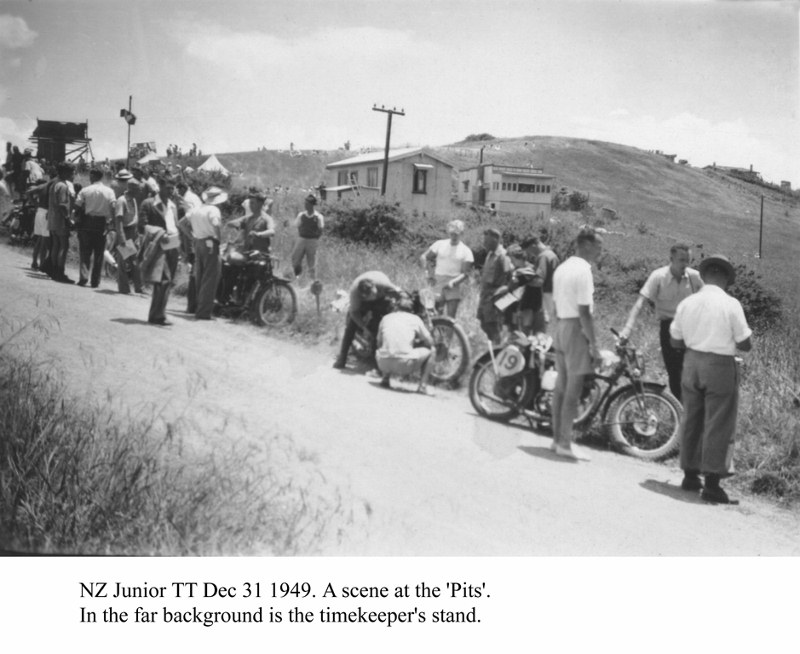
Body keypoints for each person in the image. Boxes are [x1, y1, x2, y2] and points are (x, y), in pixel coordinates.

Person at [669, 254, 752, 504]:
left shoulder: (688, 303)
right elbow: (744, 343)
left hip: (692, 361)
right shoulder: (731, 304)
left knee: (692, 416)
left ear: (704, 277)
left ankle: (690, 475)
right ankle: (713, 484)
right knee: (719, 420)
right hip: (719, 364)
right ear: (726, 278)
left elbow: (674, 340)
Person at [619, 244, 703, 400]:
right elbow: (640, 303)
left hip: (691, 328)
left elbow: (710, 298)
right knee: (674, 373)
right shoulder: (658, 277)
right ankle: (680, 409)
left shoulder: (695, 277)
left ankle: (694, 410)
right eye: (681, 260)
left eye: (688, 260)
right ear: (671, 259)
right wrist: (628, 328)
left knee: (693, 372)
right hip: (669, 329)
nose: (685, 264)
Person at [550, 226, 604, 461]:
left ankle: (557, 439)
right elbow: (585, 312)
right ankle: (564, 442)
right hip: (574, 328)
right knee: (573, 389)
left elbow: (554, 303)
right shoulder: (583, 271)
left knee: (561, 387)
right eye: (598, 245)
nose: (601, 250)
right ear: (586, 245)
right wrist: (594, 345)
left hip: (560, 325)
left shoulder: (562, 267)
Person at [333, 270, 401, 369]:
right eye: (371, 296)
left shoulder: (383, 284)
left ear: (374, 286)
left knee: (379, 323)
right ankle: (342, 358)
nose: (374, 296)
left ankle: (377, 361)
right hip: (364, 303)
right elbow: (354, 313)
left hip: (382, 298)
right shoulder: (355, 293)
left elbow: (399, 294)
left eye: (374, 294)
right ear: (363, 296)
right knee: (350, 327)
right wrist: (364, 327)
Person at [375, 292, 434, 395]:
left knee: (385, 347)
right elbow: (430, 342)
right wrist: (419, 341)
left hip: (382, 363)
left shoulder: (386, 318)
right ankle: (422, 386)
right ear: (411, 310)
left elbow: (379, 342)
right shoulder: (415, 319)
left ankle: (385, 378)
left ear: (396, 308)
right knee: (432, 351)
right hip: (404, 365)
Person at [139, 179, 180, 325]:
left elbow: (175, 225)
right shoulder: (148, 203)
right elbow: (142, 225)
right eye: (168, 187)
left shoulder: (173, 206)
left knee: (166, 282)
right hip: (158, 245)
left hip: (173, 245)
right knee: (164, 279)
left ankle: (157, 314)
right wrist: (159, 233)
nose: (171, 191)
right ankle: (158, 315)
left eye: (173, 188)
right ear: (160, 186)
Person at [419, 219, 474, 318]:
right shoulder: (440, 244)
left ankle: (448, 333)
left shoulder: (466, 251)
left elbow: (466, 273)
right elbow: (424, 257)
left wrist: (453, 283)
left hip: (453, 284)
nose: (453, 236)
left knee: (450, 317)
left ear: (462, 233)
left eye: (456, 234)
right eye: (451, 233)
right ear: (448, 232)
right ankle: (432, 333)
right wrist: (428, 274)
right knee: (432, 314)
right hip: (437, 281)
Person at [187, 186, 226, 320]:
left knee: (200, 275)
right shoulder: (214, 210)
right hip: (209, 242)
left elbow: (182, 223)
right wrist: (219, 240)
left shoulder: (197, 209)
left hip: (198, 241)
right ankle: (203, 311)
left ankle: (198, 306)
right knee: (210, 277)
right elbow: (216, 225)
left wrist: (193, 236)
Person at [74, 168, 116, 287]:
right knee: (99, 253)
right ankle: (95, 281)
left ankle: (84, 277)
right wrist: (111, 220)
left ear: (92, 177)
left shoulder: (85, 190)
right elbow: (113, 206)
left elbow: (77, 206)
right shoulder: (109, 191)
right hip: (101, 223)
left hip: (87, 222)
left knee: (85, 251)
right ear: (102, 177)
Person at [476, 227, 512, 345]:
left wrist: (503, 295)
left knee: (494, 325)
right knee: (483, 322)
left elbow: (510, 276)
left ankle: (498, 348)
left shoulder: (503, 256)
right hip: (485, 296)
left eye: (487, 241)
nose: (484, 244)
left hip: (495, 297)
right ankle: (494, 344)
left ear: (496, 239)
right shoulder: (490, 254)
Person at [113, 170, 144, 295]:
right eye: (138, 189)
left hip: (133, 232)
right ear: (132, 189)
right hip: (125, 232)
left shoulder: (133, 200)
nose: (140, 191)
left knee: (134, 261)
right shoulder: (122, 200)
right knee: (124, 262)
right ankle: (124, 287)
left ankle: (139, 287)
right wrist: (122, 239)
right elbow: (119, 221)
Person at [522, 229, 559, 329]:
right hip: (554, 295)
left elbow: (539, 281)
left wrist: (523, 281)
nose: (530, 254)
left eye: (528, 251)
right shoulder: (550, 254)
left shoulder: (543, 257)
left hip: (547, 297)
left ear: (533, 245)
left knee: (545, 327)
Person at [46, 162, 76, 283]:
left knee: (56, 245)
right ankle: (60, 272)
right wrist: (68, 219)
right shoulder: (63, 186)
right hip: (61, 219)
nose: (72, 174)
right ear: (64, 172)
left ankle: (53, 271)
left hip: (53, 218)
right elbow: (63, 205)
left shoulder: (55, 184)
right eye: (70, 172)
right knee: (63, 246)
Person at [291, 193, 324, 280]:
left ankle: (312, 281)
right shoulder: (301, 215)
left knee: (311, 262)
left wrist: (316, 238)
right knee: (295, 258)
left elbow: (321, 229)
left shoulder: (318, 217)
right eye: (305, 204)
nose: (305, 205)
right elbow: (297, 225)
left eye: (307, 204)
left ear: (312, 205)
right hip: (302, 239)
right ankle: (297, 276)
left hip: (312, 241)